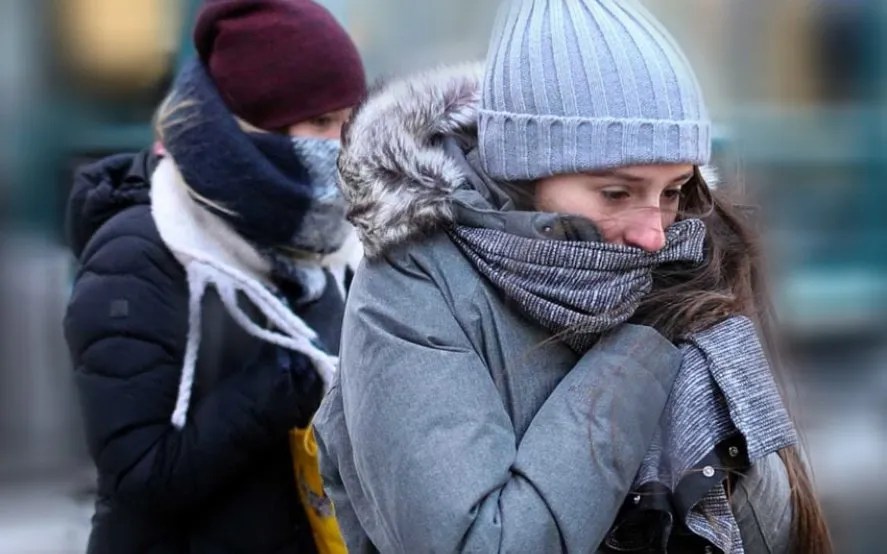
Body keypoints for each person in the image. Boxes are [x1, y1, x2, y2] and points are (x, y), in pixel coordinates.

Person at [313, 0, 831, 552]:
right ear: (524, 171)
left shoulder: (683, 266)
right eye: (616, 193)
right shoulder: (412, 288)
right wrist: (638, 358)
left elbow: (778, 532)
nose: (654, 234)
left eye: (673, 191)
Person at [63, 1, 365, 552]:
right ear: (251, 126)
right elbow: (140, 476)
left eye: (351, 122)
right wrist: (286, 382)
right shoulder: (137, 255)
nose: (342, 145)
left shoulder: (333, 248)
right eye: (322, 122)